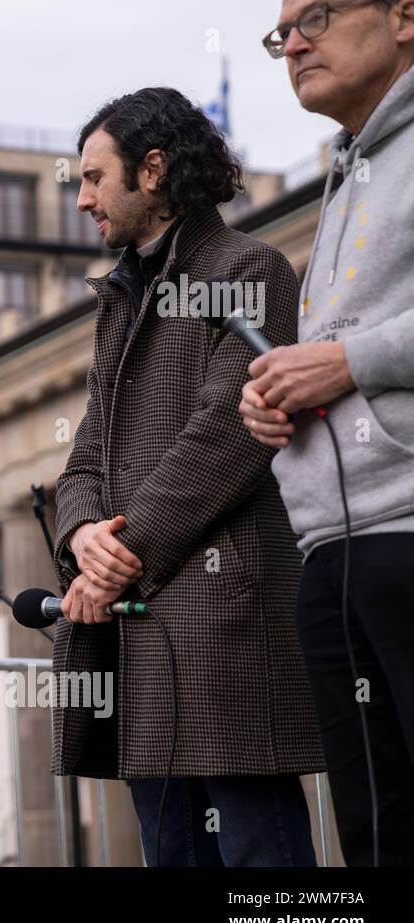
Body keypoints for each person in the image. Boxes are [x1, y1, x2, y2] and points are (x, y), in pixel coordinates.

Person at [53, 87, 324, 866]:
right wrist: (81, 535)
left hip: (222, 624)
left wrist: (117, 552)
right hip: (138, 629)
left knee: (261, 866)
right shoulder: (119, 299)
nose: (82, 200)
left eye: (94, 178)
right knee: (171, 852)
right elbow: (85, 455)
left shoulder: (251, 267)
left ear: (154, 170)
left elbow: (228, 432)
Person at [240, 0, 414, 865]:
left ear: (405, 17)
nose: (295, 43)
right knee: (373, 837)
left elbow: (357, 354)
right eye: (282, 34)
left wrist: (346, 362)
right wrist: (278, 396)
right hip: (332, 551)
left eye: (317, 16)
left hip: (405, 535)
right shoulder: (350, 173)